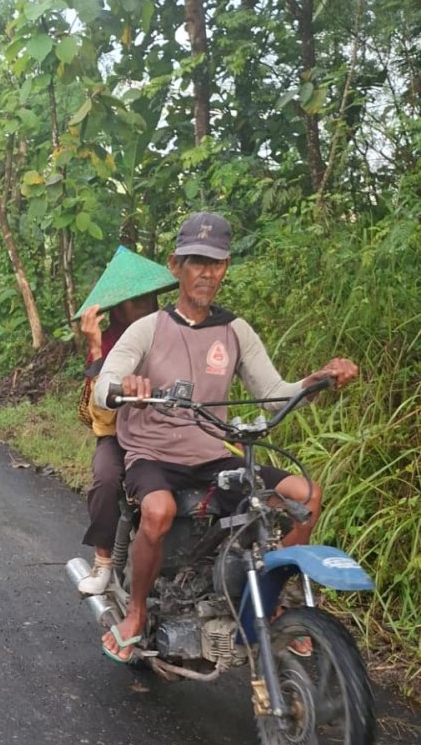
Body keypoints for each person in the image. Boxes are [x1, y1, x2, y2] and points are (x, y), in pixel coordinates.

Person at [94, 212, 359, 663]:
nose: (207, 273)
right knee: (158, 511)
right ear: (176, 265)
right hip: (153, 452)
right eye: (197, 262)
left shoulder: (235, 330)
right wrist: (128, 388)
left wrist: (318, 380)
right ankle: (136, 613)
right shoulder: (149, 328)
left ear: (226, 267)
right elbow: (105, 384)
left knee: (307, 496)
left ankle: (265, 602)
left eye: (215, 263)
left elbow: (276, 396)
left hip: (211, 451)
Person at [73, 247, 175, 595]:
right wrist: (97, 349)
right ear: (118, 306)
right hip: (118, 432)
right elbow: (101, 410)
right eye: (136, 300)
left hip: (165, 429)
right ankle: (103, 562)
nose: (146, 305)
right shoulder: (107, 340)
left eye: (150, 298)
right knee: (105, 478)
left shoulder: (169, 331)